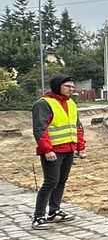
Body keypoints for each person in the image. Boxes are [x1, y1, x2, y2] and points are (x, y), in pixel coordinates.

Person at [30, 74, 86, 229]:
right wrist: (46, 149)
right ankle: (38, 216)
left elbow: (77, 126)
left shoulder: (71, 103)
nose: (71, 89)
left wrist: (80, 147)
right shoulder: (43, 104)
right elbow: (40, 129)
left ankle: (54, 211)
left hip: (68, 149)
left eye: (72, 86)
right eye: (67, 86)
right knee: (50, 182)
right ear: (57, 86)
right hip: (53, 151)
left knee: (61, 181)